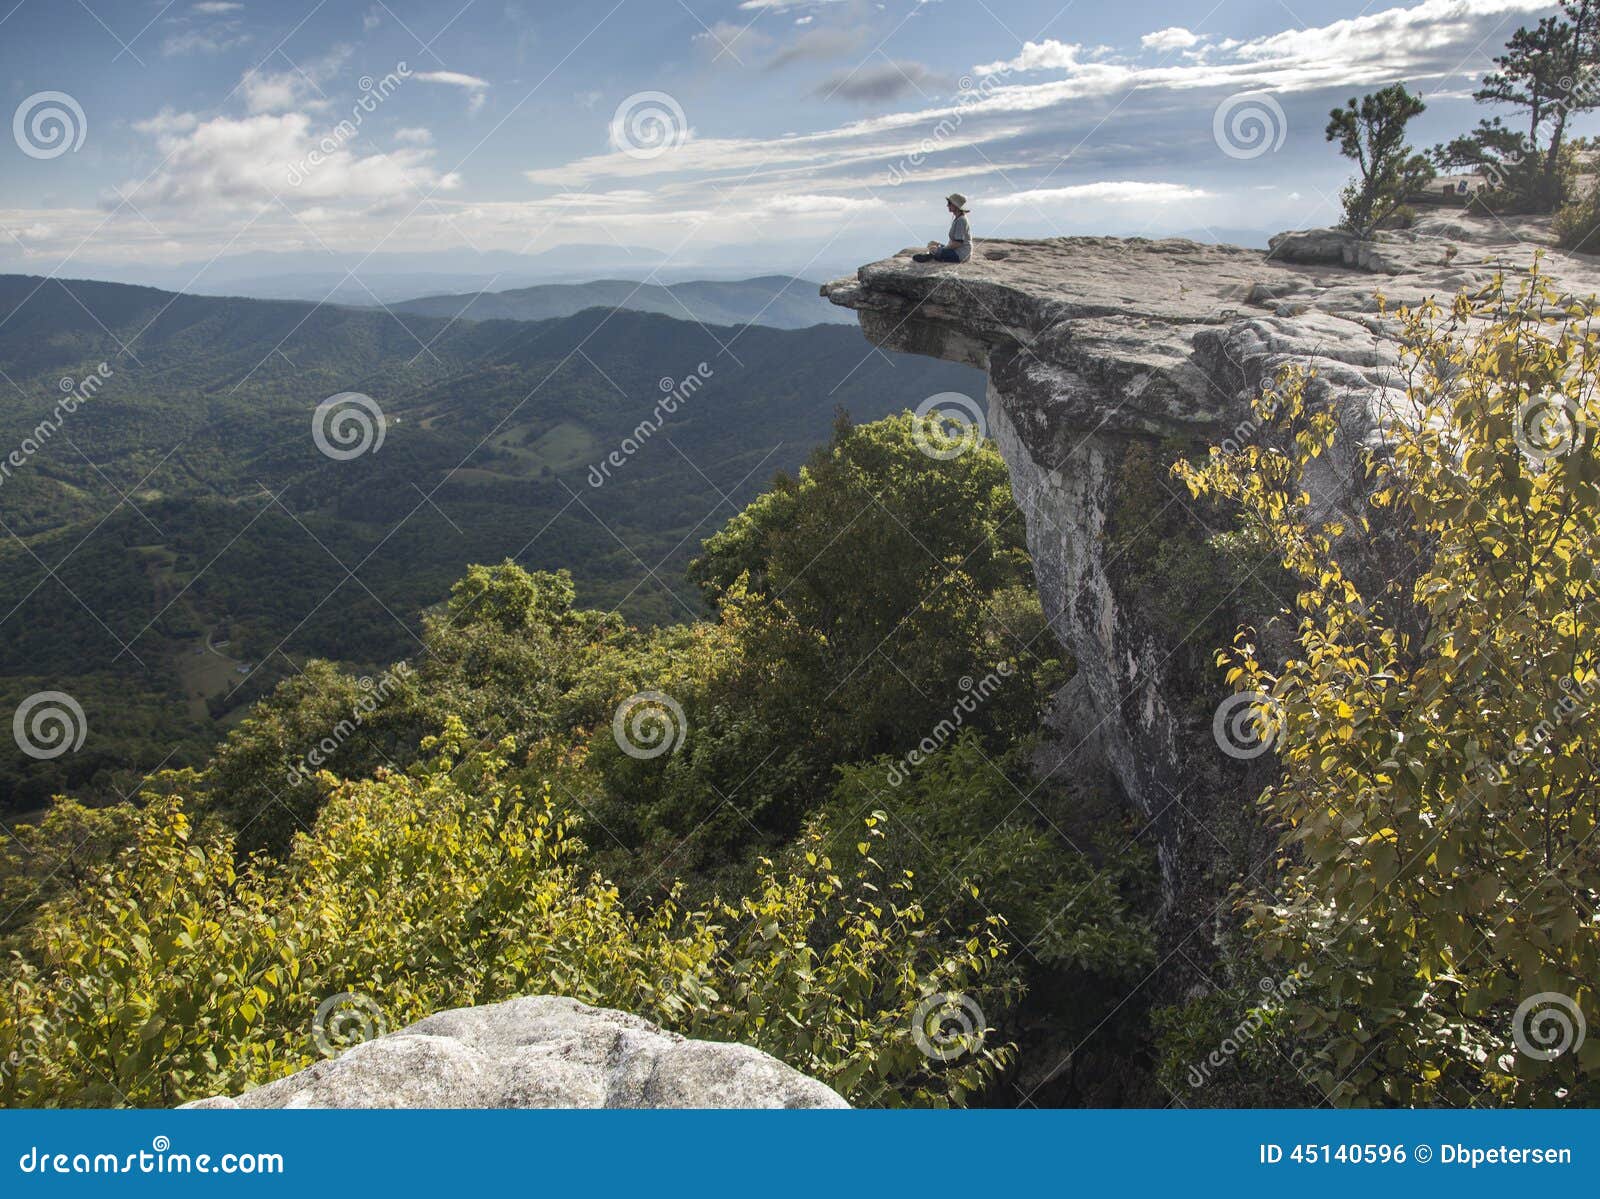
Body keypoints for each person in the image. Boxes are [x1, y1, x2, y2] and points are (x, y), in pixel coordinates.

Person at [913, 194, 972, 263]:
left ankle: (931, 256)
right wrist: (940, 247)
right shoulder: (959, 218)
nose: (947, 205)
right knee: (932, 243)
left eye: (949, 203)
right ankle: (932, 255)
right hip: (956, 251)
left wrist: (941, 249)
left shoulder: (961, 220)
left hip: (960, 255)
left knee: (934, 249)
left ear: (956, 205)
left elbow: (958, 243)